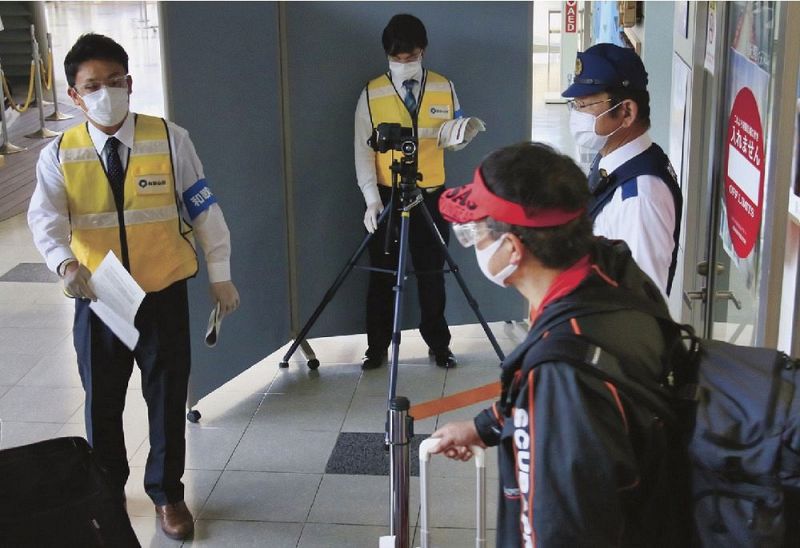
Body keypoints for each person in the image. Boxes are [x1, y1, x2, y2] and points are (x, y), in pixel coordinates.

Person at [27, 33, 240, 541]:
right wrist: (63, 266)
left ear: (130, 82)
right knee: (102, 400)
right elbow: (46, 221)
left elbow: (204, 209)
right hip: (99, 299)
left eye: (115, 81)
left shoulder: (170, 139)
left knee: (166, 397)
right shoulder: (60, 153)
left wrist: (220, 272)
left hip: (162, 292)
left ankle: (167, 493)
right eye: (92, 86)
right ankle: (105, 489)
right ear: (75, 96)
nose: (106, 93)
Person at [430, 142, 688, 546]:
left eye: (476, 232)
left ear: (513, 248)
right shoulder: (610, 270)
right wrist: (485, 428)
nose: (473, 243)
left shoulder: (561, 372)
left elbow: (559, 530)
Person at [354, 13, 461, 370]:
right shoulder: (372, 93)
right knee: (382, 275)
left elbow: (452, 130)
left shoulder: (444, 87)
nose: (404, 64)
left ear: (423, 51)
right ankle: (377, 347)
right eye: (397, 59)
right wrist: (371, 199)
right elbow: (362, 151)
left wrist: (461, 135)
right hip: (387, 195)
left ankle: (439, 344)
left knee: (432, 274)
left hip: (431, 194)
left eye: (410, 57)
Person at [562, 43, 682, 297]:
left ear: (626, 111)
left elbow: (642, 299)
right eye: (575, 105)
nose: (577, 115)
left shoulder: (640, 197)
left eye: (585, 106)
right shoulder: (614, 161)